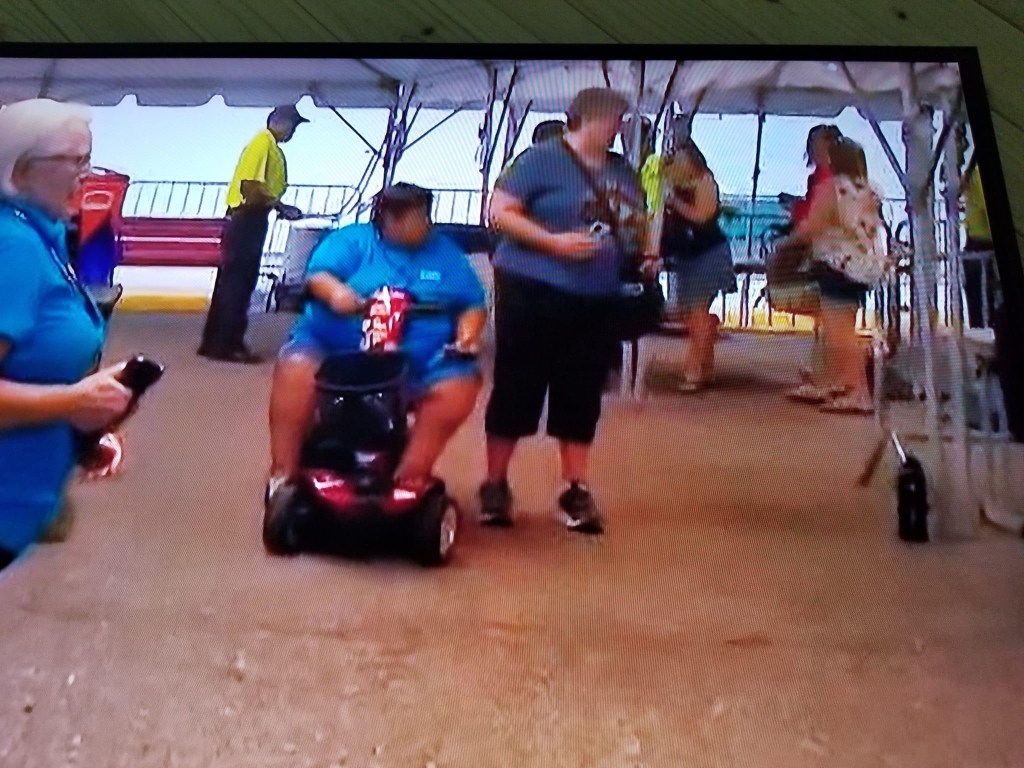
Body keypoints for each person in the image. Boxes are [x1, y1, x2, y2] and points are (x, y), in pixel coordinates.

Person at [480, 87, 650, 534]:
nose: (620, 127)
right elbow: (500, 212)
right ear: (589, 117)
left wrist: (642, 252)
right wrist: (553, 242)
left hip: (596, 296)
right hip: (532, 289)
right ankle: (495, 483)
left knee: (581, 391)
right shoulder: (539, 160)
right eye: (616, 118)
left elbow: (635, 219)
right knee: (517, 384)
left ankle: (575, 487)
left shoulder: (622, 170)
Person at [265, 183, 487, 508]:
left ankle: (410, 475)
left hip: (419, 360)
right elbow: (318, 276)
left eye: (418, 217)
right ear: (384, 218)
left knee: (459, 387)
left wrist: (467, 336)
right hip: (337, 348)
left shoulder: (447, 255)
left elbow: (472, 304)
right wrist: (337, 293)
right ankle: (283, 473)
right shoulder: (353, 240)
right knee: (296, 368)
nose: (412, 225)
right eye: (401, 218)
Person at [0, 99, 135, 571]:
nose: (86, 176)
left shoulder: (42, 236)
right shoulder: (13, 248)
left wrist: (80, 430)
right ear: (20, 170)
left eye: (88, 159)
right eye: (73, 161)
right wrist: (73, 402)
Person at [782, 137, 889, 415]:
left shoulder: (832, 188)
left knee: (840, 334)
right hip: (860, 267)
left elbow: (812, 225)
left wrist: (787, 243)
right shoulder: (869, 191)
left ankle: (859, 392)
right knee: (844, 329)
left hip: (836, 265)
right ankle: (840, 382)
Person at [198, 105, 308, 364]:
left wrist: (276, 206)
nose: (293, 132)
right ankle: (229, 344)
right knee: (239, 282)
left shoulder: (269, 146)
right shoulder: (263, 143)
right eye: (293, 126)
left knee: (230, 282)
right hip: (247, 218)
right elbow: (250, 187)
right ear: (280, 122)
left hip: (249, 218)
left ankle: (213, 342)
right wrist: (280, 206)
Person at [640, 140, 736, 391]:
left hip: (708, 254)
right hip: (688, 255)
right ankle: (705, 366)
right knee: (692, 315)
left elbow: (703, 217)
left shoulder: (705, 182)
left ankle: (694, 370)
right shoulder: (671, 184)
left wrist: (674, 203)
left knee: (696, 313)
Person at [961, 162, 998, 329]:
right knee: (982, 300)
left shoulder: (976, 176)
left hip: (982, 245)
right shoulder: (975, 176)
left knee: (982, 301)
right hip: (978, 244)